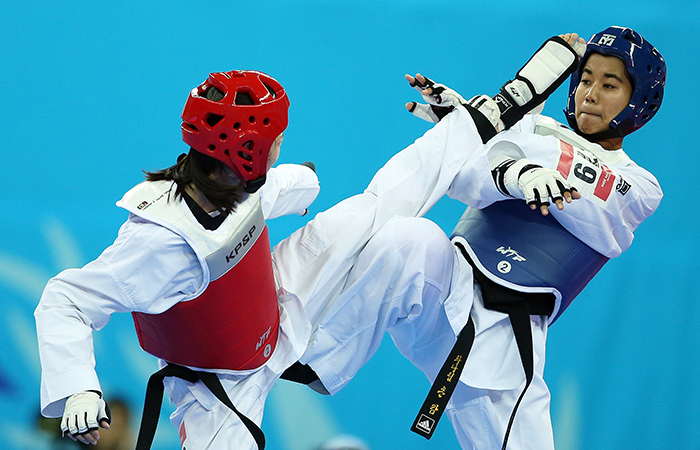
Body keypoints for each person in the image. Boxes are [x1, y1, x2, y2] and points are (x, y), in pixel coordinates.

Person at [35, 33, 585, 449]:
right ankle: (485, 119)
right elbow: (65, 299)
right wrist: (79, 388)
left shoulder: (236, 181)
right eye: (275, 140)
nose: (280, 149)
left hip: (280, 304)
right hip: (219, 383)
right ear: (248, 151)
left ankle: (488, 116)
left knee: (372, 211)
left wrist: (305, 185)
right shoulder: (160, 240)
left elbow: (274, 191)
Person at [291, 26, 665, 450]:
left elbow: (599, 204)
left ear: (639, 102)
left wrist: (496, 137)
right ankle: (319, 361)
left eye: (609, 84)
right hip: (446, 292)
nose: (590, 93)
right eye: (585, 78)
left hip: (503, 337)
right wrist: (487, 139)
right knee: (406, 237)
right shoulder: (533, 127)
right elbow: (466, 178)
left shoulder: (639, 185)